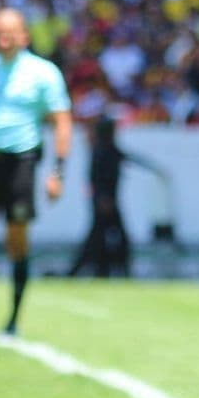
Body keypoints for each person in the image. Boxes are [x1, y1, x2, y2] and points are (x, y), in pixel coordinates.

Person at [0, 8, 73, 335]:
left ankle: (14, 317)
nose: (4, 40)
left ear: (24, 35)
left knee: (17, 238)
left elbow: (62, 120)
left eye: (9, 33)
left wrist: (58, 171)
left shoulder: (43, 73)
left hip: (19, 163)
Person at [66, 117, 162, 278]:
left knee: (99, 237)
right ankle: (104, 269)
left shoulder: (107, 149)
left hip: (107, 201)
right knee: (104, 238)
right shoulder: (101, 150)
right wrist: (102, 198)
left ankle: (98, 269)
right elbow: (95, 177)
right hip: (105, 202)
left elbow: (129, 157)